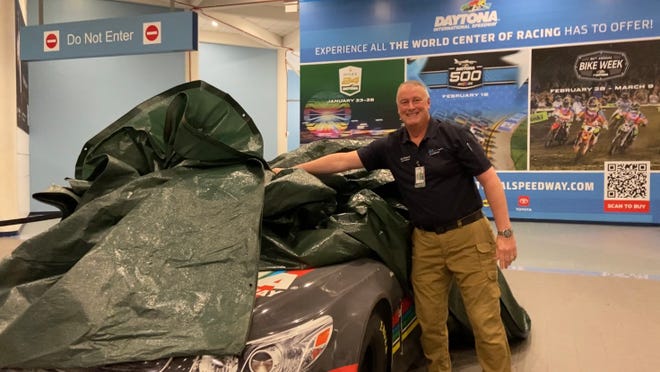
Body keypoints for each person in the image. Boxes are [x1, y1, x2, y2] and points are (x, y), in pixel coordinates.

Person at [274, 80, 517, 371]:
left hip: (468, 236)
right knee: (430, 323)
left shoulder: (454, 135)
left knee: (485, 322)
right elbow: (342, 161)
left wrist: (505, 234)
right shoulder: (392, 145)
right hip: (425, 244)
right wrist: (291, 170)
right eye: (405, 103)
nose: (411, 107)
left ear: (427, 103)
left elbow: (490, 180)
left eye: (417, 100)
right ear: (399, 109)